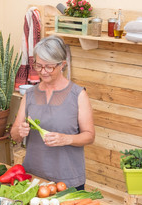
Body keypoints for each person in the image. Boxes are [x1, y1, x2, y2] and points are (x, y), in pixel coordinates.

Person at [10, 35, 95, 190]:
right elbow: (14, 135)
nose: (43, 72)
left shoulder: (78, 95)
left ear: (62, 64)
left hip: (67, 181)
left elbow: (89, 136)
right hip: (33, 177)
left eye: (49, 67)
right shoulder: (29, 95)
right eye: (38, 66)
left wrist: (66, 139)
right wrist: (20, 131)